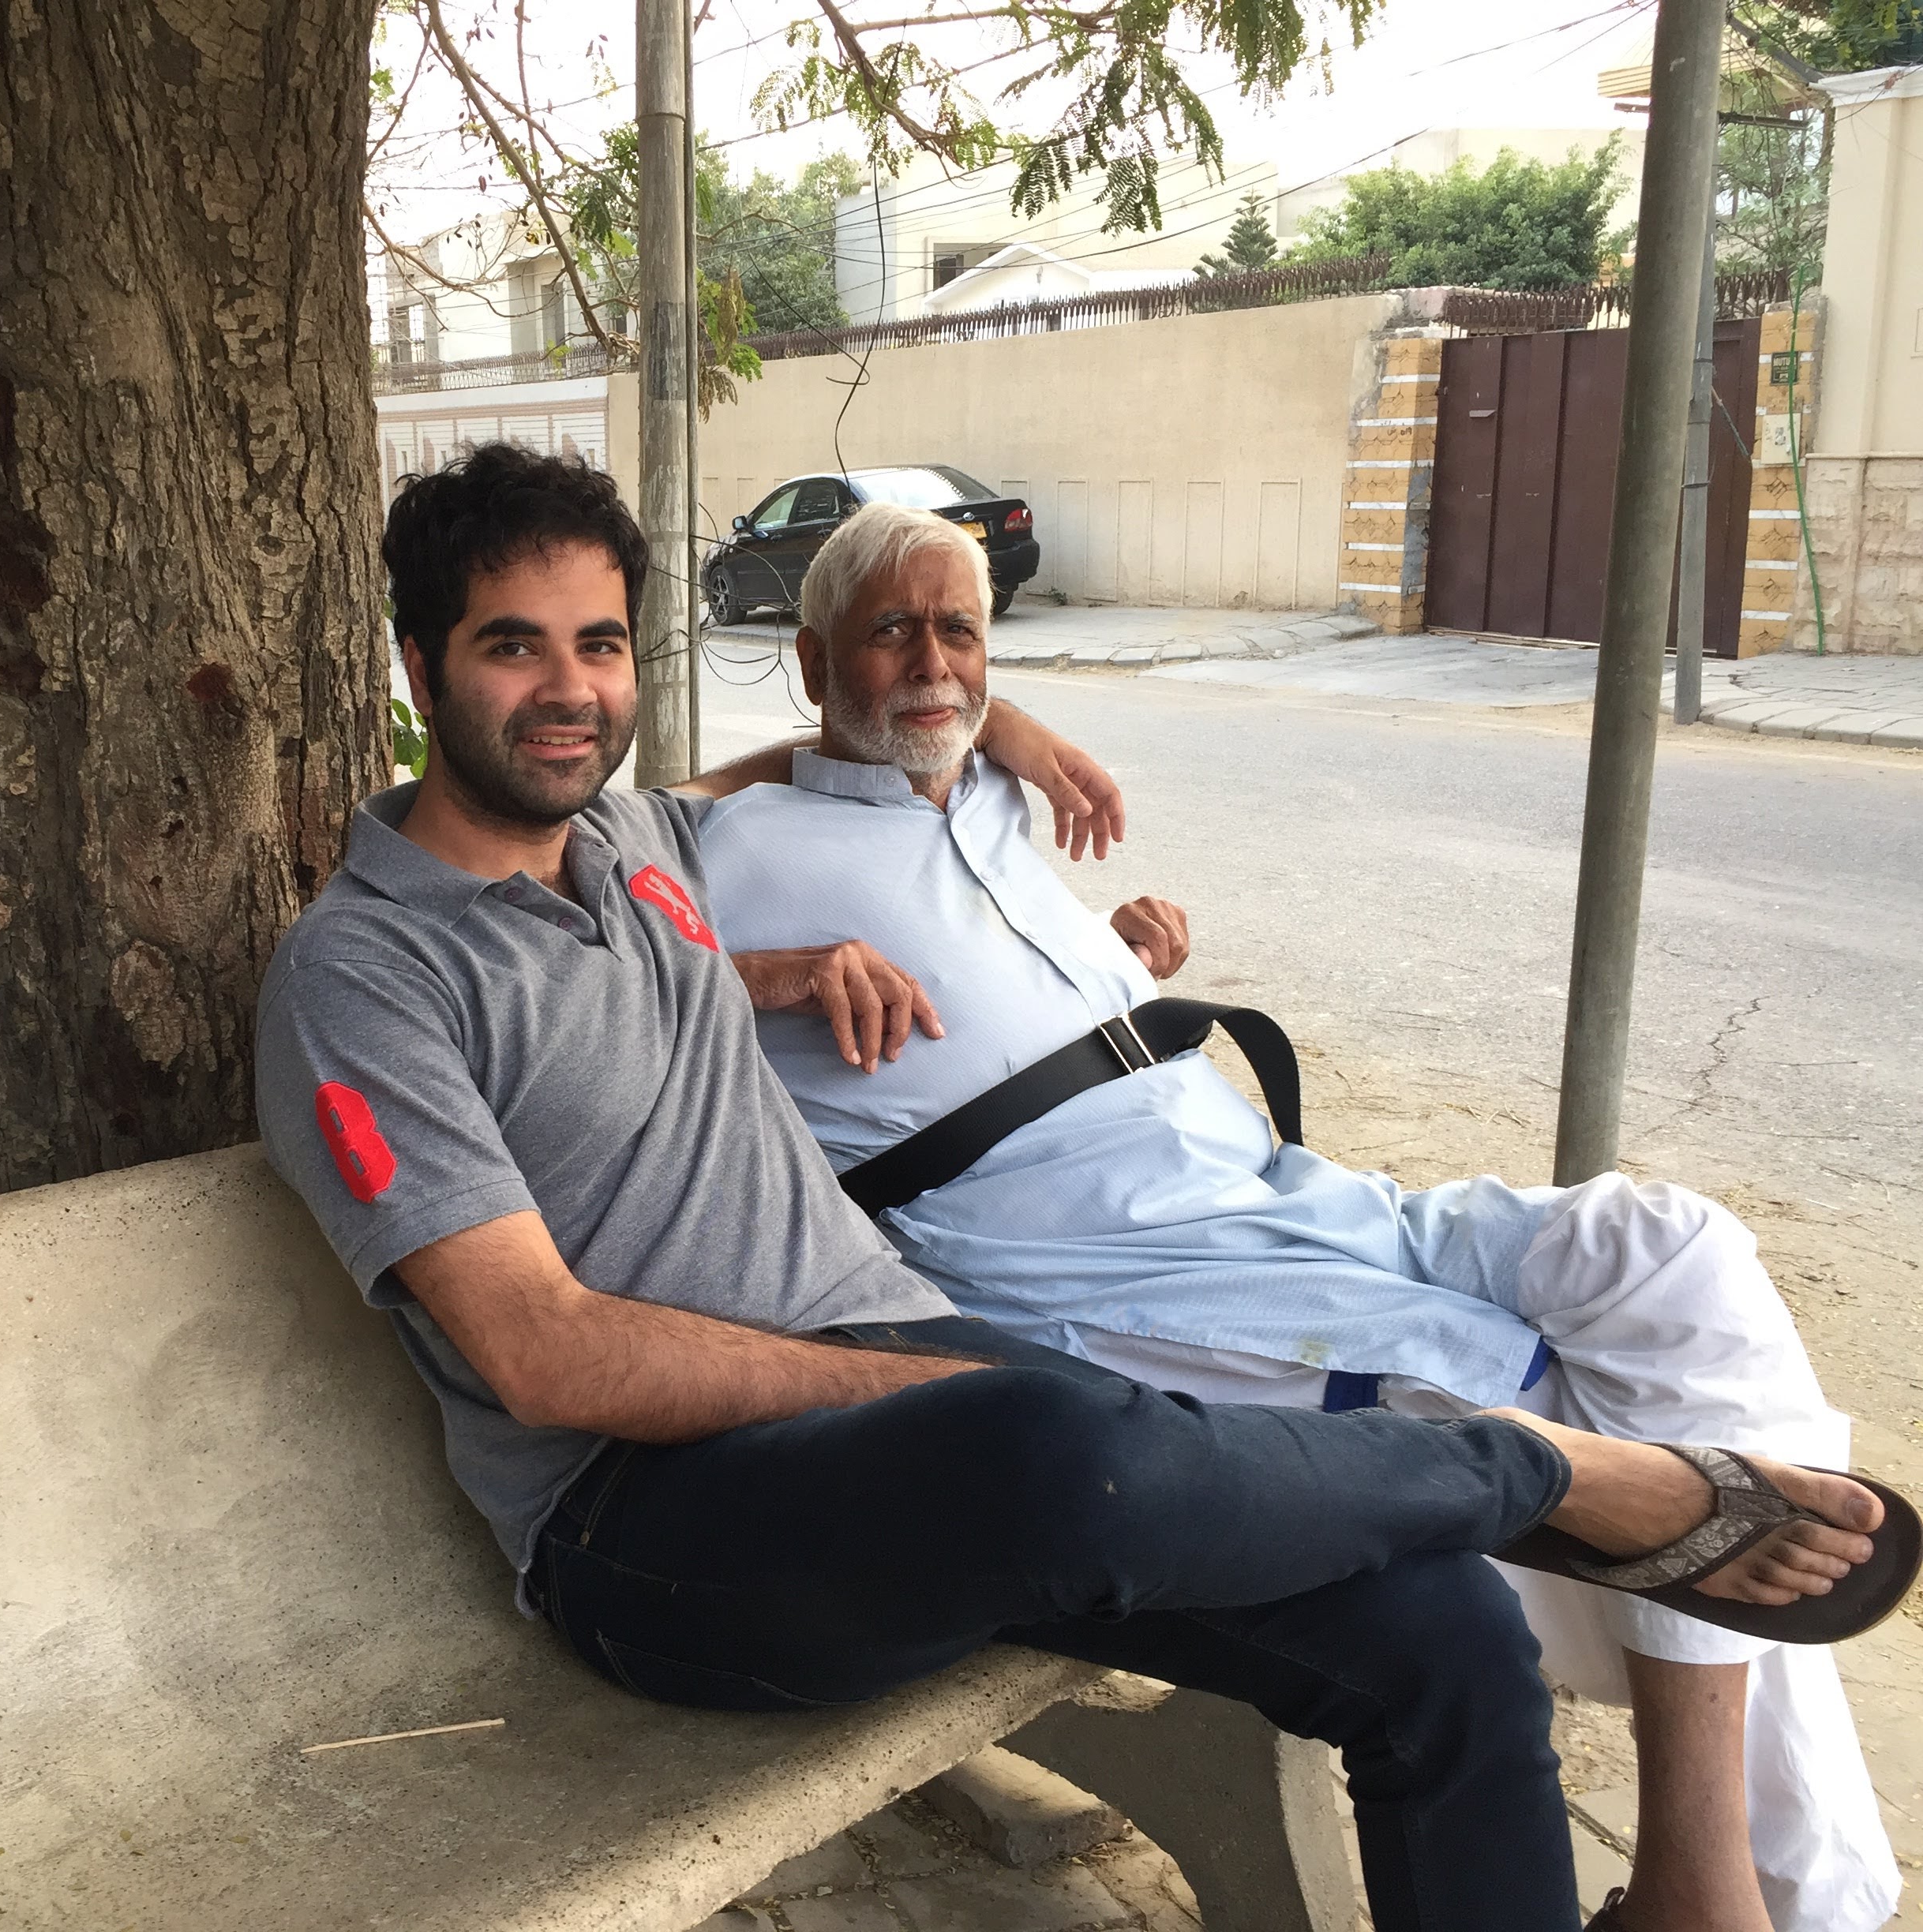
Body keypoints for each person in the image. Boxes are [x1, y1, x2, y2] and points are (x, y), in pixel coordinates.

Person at [251, 444, 1890, 1932]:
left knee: (1444, 1639)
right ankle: (1535, 1470)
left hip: (901, 1406)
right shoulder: (368, 975)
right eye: (510, 645)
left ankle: (1519, 1554)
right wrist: (911, 1369)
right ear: (418, 667)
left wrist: (992, 716)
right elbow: (541, 1356)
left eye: (598, 645)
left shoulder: (624, 854)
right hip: (649, 1529)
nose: (567, 692)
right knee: (1053, 1435)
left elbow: (803, 765)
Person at [691, 498, 1904, 1932]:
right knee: (1553, 1398)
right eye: (890, 633)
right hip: (1101, 1256)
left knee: (1675, 1252)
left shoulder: (999, 796)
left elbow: (940, 738)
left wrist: (1073, 889)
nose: (935, 663)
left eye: (963, 631)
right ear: (815, 659)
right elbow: (560, 910)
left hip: (1280, 1184)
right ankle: (1749, 1895)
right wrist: (752, 974)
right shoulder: (711, 856)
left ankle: (1712, 1884)